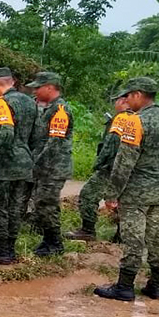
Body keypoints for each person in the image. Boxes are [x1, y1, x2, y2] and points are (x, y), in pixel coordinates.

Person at [94, 77, 159, 302]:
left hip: (136, 192)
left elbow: (124, 161)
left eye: (128, 95)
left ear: (138, 95)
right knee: (158, 237)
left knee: (133, 238)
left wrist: (112, 194)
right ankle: (158, 285)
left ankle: (124, 287)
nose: (126, 100)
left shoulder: (135, 122)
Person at [0, 67, 40, 265]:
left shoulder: (3, 102)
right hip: (25, 164)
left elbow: (5, 133)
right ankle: (10, 251)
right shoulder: (30, 102)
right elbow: (37, 135)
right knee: (15, 209)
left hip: (5, 165)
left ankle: (1, 252)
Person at [67, 92, 130, 241]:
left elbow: (111, 146)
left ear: (123, 101)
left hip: (111, 168)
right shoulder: (141, 118)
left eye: (117, 100)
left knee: (88, 195)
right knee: (125, 201)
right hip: (130, 169)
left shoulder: (121, 119)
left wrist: (99, 164)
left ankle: (88, 230)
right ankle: (122, 235)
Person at [27, 72, 74, 257]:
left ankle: (55, 243)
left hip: (53, 167)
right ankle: (48, 240)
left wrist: (35, 163)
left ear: (49, 87)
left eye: (38, 87)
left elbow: (53, 144)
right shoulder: (49, 108)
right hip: (45, 166)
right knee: (42, 203)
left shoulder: (60, 110)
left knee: (48, 204)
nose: (35, 91)